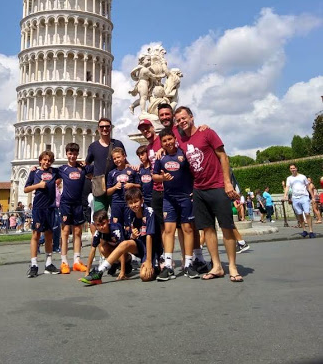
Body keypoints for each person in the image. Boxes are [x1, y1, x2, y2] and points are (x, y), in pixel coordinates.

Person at [174, 106, 243, 282]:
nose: (182, 121)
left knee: (226, 227)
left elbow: (223, 157)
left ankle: (233, 266)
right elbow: (164, 133)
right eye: (179, 120)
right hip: (199, 189)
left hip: (217, 185)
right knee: (208, 229)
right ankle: (217, 266)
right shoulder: (180, 139)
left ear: (191, 117)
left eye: (184, 118)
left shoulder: (207, 133)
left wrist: (227, 183)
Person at [80, 188, 163, 285]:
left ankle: (157, 265)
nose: (134, 205)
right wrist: (133, 235)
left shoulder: (149, 212)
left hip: (153, 249)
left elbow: (149, 236)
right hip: (141, 247)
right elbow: (132, 237)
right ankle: (99, 272)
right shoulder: (130, 214)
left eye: (136, 201)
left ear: (142, 200)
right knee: (124, 243)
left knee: (144, 276)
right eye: (131, 203)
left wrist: (148, 260)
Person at [153, 129, 199, 280]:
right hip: (169, 198)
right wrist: (162, 178)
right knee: (168, 230)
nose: (168, 142)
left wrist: (193, 189)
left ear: (174, 138)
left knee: (188, 229)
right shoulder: (161, 158)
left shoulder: (183, 154)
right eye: (164, 141)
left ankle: (188, 264)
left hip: (185, 197)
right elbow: (154, 176)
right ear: (162, 143)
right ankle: (168, 266)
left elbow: (194, 172)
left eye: (169, 139)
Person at [57, 142, 92, 274]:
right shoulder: (62, 169)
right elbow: (48, 171)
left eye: (75, 153)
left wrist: (86, 164)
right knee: (65, 232)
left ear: (78, 154)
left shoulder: (82, 169)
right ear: (66, 154)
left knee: (78, 232)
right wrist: (34, 170)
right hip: (66, 203)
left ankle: (77, 261)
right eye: (70, 153)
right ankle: (64, 262)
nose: (72, 156)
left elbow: (97, 169)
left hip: (78, 203)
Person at [24, 150, 59, 277]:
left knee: (49, 235)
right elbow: (26, 188)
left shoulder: (54, 172)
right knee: (36, 235)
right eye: (44, 160)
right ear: (40, 160)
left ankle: (48, 264)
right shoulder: (35, 172)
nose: (46, 162)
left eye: (49, 160)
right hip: (38, 207)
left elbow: (65, 173)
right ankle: (34, 264)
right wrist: (38, 185)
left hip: (50, 208)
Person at [85, 117, 126, 213]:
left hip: (116, 185)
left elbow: (124, 160)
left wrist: (131, 166)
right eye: (102, 127)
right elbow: (87, 164)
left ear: (110, 128)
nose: (105, 129)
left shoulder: (117, 143)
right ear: (98, 129)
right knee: (99, 217)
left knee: (118, 216)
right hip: (99, 187)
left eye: (107, 126)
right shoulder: (93, 146)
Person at [81, 210, 127, 283]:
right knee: (103, 248)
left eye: (103, 224)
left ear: (108, 221)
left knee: (120, 251)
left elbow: (123, 249)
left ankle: (124, 265)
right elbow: (92, 251)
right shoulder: (98, 232)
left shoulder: (115, 229)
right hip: (114, 251)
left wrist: (122, 272)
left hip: (126, 252)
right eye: (98, 225)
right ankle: (114, 264)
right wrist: (87, 272)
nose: (101, 227)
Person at [106, 147, 140, 231]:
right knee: (116, 227)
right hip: (116, 203)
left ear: (124, 156)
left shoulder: (132, 171)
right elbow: (107, 192)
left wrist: (132, 185)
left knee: (129, 227)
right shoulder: (111, 173)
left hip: (129, 203)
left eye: (118, 157)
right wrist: (114, 187)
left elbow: (140, 185)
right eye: (114, 158)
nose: (117, 160)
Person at [283, 164, 315, 238]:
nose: (292, 169)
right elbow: (287, 187)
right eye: (291, 168)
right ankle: (304, 230)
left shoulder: (302, 177)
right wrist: (285, 195)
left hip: (304, 196)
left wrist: (312, 197)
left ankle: (311, 231)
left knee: (307, 213)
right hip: (295, 198)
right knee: (300, 215)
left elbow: (308, 187)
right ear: (290, 170)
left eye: (294, 168)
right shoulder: (289, 178)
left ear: (296, 168)